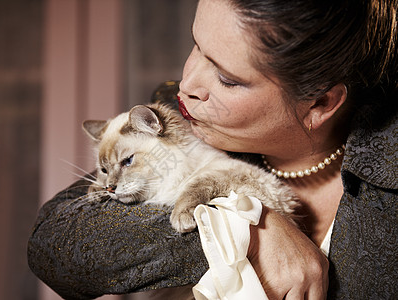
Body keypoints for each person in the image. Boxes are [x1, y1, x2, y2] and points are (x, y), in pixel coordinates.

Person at [28, 0, 397, 299]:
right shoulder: (179, 124)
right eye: (197, 45)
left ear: (319, 103)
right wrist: (246, 231)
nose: (186, 83)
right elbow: (53, 246)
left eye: (226, 79)